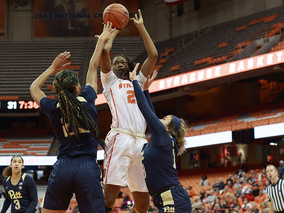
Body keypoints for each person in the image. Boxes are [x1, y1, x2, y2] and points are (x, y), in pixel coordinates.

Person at [30, 23, 115, 213]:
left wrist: (53, 68)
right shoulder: (87, 98)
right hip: (87, 167)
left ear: (58, 91)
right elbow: (93, 67)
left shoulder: (53, 108)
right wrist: (101, 40)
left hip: (63, 167)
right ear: (77, 88)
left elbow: (34, 88)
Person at [100, 9, 158, 213]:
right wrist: (114, 30)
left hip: (141, 142)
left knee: (143, 204)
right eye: (116, 62)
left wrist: (141, 28)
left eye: (122, 61)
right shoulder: (109, 82)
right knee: (108, 198)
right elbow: (105, 53)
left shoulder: (138, 80)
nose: (119, 62)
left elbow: (153, 55)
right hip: (120, 138)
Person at [129, 66, 191, 212]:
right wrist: (145, 90)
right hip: (166, 198)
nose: (159, 119)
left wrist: (134, 82)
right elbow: (151, 113)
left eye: (164, 119)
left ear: (169, 129)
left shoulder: (164, 137)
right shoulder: (161, 140)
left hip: (173, 198)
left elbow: (145, 109)